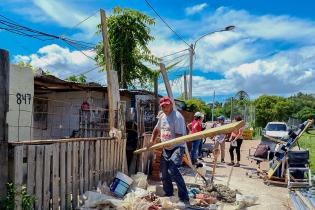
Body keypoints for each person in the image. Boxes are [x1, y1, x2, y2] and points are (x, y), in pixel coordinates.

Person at [149, 96, 189, 203]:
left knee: (173, 170)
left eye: (166, 105)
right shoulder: (162, 117)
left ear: (171, 104)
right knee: (163, 173)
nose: (164, 107)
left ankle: (184, 196)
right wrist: (152, 141)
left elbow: (179, 136)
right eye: (163, 106)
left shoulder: (177, 117)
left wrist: (168, 143)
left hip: (177, 147)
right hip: (166, 148)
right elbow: (156, 130)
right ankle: (169, 193)